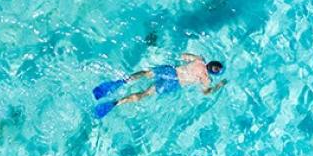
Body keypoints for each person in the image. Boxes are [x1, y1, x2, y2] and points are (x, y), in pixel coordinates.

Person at [93, 53, 226, 118]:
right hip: (174, 83)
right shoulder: (206, 78)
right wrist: (219, 85)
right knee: (146, 93)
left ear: (210, 62)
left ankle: (123, 81)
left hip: (171, 71)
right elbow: (206, 92)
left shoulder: (199, 60)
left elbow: (183, 56)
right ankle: (115, 103)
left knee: (146, 73)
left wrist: (186, 61)